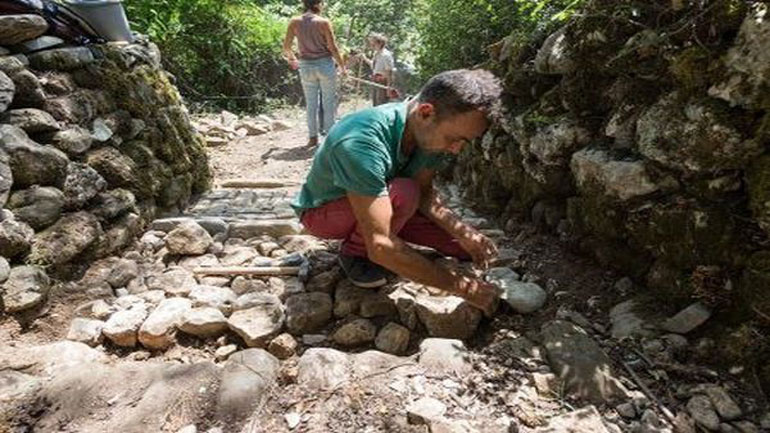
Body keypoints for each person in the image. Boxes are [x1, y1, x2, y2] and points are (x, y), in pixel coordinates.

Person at [291, 69, 504, 315]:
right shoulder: (360, 140)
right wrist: (463, 288)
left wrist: (464, 233)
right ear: (425, 112)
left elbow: (425, 194)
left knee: (460, 247)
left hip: (386, 202)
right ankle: (354, 253)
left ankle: (397, 231)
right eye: (454, 139)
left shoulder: (427, 133)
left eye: (463, 142)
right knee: (405, 191)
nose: (455, 150)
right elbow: (381, 244)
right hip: (322, 213)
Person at [282, 0, 346, 147]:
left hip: (306, 66)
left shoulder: (294, 22)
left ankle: (312, 138)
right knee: (328, 103)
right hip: (325, 65)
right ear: (317, 4)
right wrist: (342, 67)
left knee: (311, 104)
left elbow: (286, 47)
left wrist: (293, 59)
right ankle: (330, 140)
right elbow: (333, 48)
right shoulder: (323, 22)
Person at [360, 33, 395, 106]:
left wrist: (388, 87)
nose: (372, 46)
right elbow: (374, 66)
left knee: (381, 104)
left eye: (374, 44)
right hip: (375, 80)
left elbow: (389, 72)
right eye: (371, 44)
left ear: (380, 43)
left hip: (382, 82)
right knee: (375, 103)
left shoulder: (386, 55)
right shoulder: (377, 54)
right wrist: (364, 58)